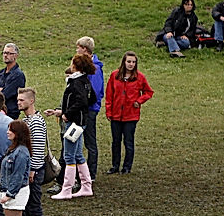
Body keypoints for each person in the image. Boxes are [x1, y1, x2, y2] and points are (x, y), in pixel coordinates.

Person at [47, 53, 98, 200]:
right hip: (81, 122)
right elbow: (91, 98)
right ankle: (86, 186)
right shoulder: (85, 81)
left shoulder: (75, 83)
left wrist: (67, 114)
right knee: (78, 155)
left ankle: (67, 189)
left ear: (76, 66)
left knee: (69, 155)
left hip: (73, 123)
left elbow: (81, 101)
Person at [104, 51, 154, 175]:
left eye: (133, 62)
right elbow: (109, 95)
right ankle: (115, 165)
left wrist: (139, 100)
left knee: (128, 141)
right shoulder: (114, 75)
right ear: (124, 62)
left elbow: (149, 92)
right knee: (116, 142)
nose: (131, 64)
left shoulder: (139, 77)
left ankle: (127, 166)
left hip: (131, 115)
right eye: (129, 61)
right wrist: (108, 111)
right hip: (116, 115)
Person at [17, 88, 48, 216]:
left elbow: (38, 148)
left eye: (21, 100)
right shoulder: (27, 120)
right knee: (28, 204)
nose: (18, 103)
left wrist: (33, 169)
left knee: (34, 205)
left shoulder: (35, 121)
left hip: (34, 170)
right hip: (29, 168)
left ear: (31, 101)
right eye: (18, 100)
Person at [74, 36, 105, 183]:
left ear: (85, 49)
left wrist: (88, 105)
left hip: (90, 109)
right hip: (81, 109)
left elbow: (96, 91)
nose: (76, 50)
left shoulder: (95, 68)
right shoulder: (83, 66)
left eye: (78, 47)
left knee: (90, 141)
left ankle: (91, 174)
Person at [0, 120, 32, 216]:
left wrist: (9, 195)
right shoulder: (14, 149)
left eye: (11, 130)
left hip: (15, 194)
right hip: (10, 192)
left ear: (18, 133)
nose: (7, 132)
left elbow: (18, 176)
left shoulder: (21, 152)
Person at [0, 42, 25, 119]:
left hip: (10, 113)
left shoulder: (18, 75)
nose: (5, 55)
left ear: (16, 56)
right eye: (4, 53)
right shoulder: (1, 73)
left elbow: (5, 95)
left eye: (9, 53)